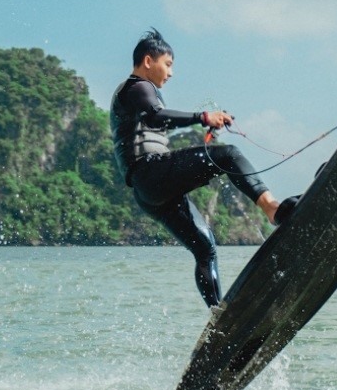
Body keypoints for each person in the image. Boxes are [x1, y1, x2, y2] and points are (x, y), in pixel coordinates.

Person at [110, 29, 296, 308]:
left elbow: (154, 119)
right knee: (228, 154)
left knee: (205, 248)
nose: (171, 73)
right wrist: (203, 117)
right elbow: (156, 116)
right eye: (168, 64)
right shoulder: (138, 86)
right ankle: (272, 208)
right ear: (148, 61)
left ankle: (217, 318)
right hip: (150, 172)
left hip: (149, 192)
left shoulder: (140, 92)